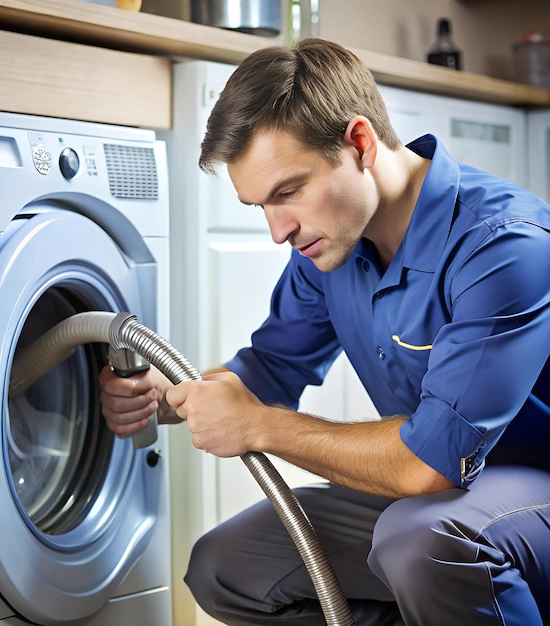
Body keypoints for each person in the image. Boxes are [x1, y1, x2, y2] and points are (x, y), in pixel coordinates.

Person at [99, 38, 550, 626]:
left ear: (359, 143)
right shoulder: (329, 249)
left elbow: (426, 468)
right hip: (444, 501)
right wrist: (168, 394)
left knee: (421, 539)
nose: (278, 230)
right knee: (225, 566)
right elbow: (268, 372)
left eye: (288, 191)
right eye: (260, 205)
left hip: (514, 496)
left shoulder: (503, 246)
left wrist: (257, 425)